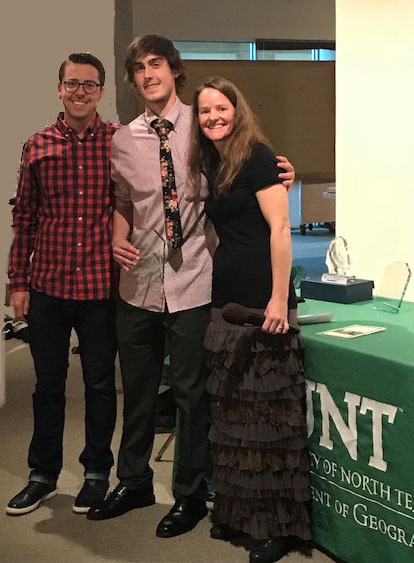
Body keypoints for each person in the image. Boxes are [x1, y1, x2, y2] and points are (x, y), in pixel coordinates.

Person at [87, 35, 295, 539]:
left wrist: (281, 171)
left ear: (174, 70)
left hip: (195, 280)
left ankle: (190, 493)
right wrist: (116, 238)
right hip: (139, 283)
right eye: (139, 68)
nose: (148, 74)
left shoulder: (203, 129)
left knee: (190, 393)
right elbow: (124, 201)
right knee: (138, 390)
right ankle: (133, 481)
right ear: (132, 79)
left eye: (156, 63)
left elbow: (248, 165)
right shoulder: (123, 139)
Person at [188, 76, 311, 563]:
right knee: (235, 414)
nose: (213, 117)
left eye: (221, 108)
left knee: (267, 418)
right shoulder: (213, 162)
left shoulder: (258, 156)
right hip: (226, 300)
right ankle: (240, 514)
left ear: (236, 110)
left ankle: (275, 527)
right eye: (205, 111)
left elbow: (280, 228)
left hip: (264, 298)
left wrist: (279, 298)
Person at [6, 53, 118, 516]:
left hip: (101, 289)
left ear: (101, 92)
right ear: (59, 89)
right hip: (48, 286)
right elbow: (25, 218)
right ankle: (42, 475)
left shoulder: (119, 142)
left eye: (89, 84)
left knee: (100, 386)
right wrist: (18, 282)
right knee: (48, 385)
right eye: (72, 83)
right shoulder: (37, 145)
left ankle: (96, 474)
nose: (80, 92)